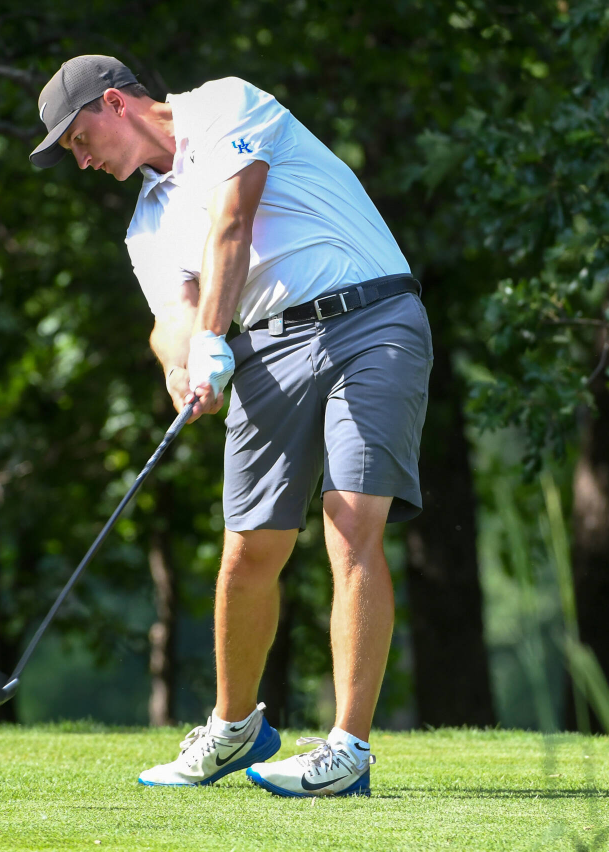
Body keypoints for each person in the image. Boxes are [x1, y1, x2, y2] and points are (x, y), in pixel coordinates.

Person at [30, 55, 433, 797]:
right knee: (248, 550)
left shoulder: (225, 105)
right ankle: (234, 728)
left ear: (114, 103)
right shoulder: (146, 220)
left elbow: (233, 223)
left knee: (350, 525)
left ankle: (347, 749)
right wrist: (182, 365)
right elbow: (171, 317)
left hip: (370, 318)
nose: (78, 159)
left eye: (76, 138)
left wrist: (213, 334)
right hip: (268, 346)